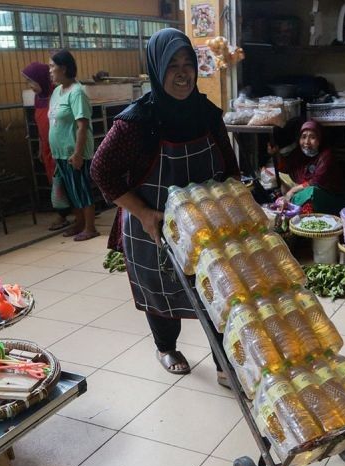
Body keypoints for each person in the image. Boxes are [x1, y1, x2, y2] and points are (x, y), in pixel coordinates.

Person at [91, 28, 239, 383]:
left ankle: (224, 362)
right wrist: (141, 212)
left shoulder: (206, 112)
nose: (183, 73)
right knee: (160, 289)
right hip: (153, 221)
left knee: (216, 290)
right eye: (173, 64)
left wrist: (240, 210)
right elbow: (101, 170)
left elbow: (230, 168)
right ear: (157, 68)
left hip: (204, 220)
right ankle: (166, 347)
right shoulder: (135, 122)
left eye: (188, 63)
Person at [48, 50, 99, 241]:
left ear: (64, 68)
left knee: (81, 189)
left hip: (74, 152)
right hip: (60, 152)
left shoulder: (77, 92)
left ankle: (90, 227)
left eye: (52, 66)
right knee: (71, 191)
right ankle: (78, 224)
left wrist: (78, 153)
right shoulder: (56, 92)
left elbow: (82, 125)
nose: (50, 71)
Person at [22, 62, 72, 231]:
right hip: (47, 147)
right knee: (55, 180)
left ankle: (68, 214)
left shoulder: (57, 94)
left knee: (66, 179)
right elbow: (40, 126)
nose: (30, 86)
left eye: (32, 82)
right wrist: (39, 146)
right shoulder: (38, 98)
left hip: (61, 145)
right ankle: (65, 211)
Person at [267, 120, 345, 215]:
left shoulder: (326, 156)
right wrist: (275, 154)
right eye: (303, 137)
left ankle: (289, 203)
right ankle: (290, 204)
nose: (307, 142)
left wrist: (291, 192)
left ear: (319, 140)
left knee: (312, 191)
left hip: (331, 199)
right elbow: (285, 168)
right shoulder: (298, 153)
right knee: (283, 180)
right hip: (303, 193)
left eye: (312, 137)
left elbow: (315, 182)